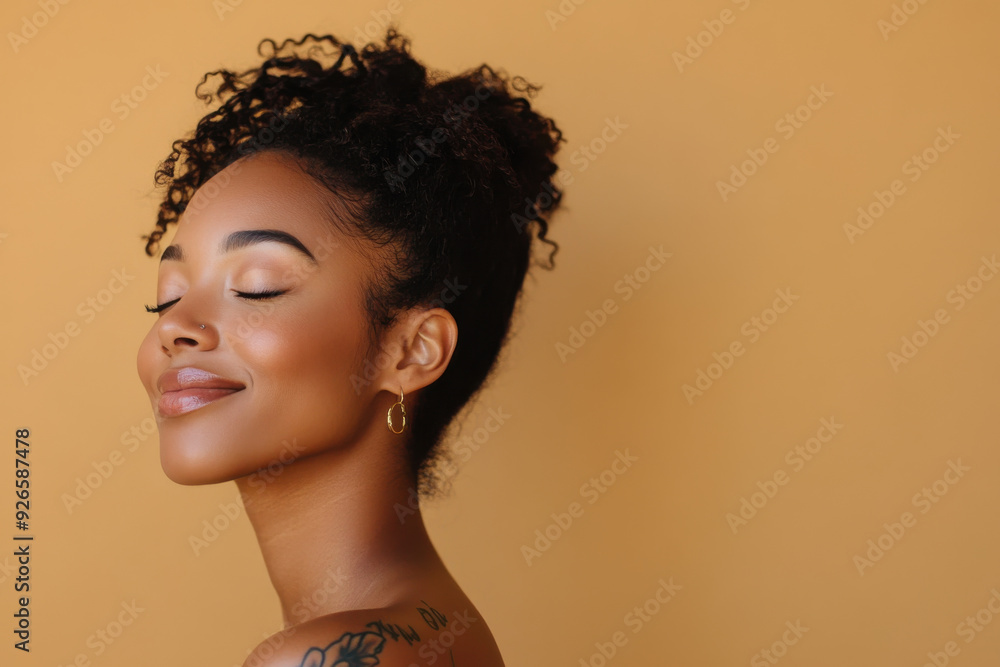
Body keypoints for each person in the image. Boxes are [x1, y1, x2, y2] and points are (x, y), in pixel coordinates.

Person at [134, 26, 564, 667]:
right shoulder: (432, 630)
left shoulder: (326, 657)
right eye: (166, 297)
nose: (176, 326)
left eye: (257, 286)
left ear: (412, 351)